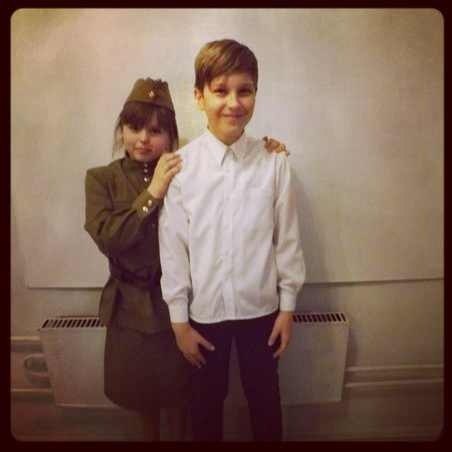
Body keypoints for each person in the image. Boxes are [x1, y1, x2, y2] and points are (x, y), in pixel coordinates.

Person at [84, 77, 289, 441]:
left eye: (155, 131)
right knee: (143, 401)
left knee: (188, 401)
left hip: (182, 306)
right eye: (134, 128)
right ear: (121, 129)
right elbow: (109, 238)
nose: (143, 139)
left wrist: (265, 149)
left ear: (170, 137)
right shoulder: (102, 178)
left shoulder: (183, 165)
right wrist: (152, 192)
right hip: (132, 306)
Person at [158, 39, 306, 442]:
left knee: (265, 400)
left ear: (256, 93)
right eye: (221, 91)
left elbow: (287, 241)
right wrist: (179, 322)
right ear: (199, 96)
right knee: (205, 405)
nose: (234, 103)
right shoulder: (182, 168)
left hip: (263, 311)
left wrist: (288, 307)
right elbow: (173, 249)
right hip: (205, 313)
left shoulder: (274, 162)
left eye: (245, 91)